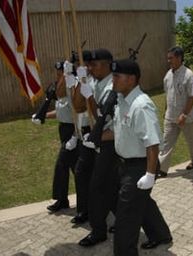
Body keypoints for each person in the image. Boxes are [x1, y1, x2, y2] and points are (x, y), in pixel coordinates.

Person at [111, 59, 172, 256]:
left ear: (131, 79)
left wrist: (150, 174)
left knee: (125, 219)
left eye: (116, 76)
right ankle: (161, 234)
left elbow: (152, 143)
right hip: (125, 164)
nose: (113, 80)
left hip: (140, 167)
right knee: (143, 204)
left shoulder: (141, 105)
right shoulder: (122, 100)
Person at [76, 49, 120, 246]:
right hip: (98, 138)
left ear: (108, 64)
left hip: (111, 141)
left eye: (95, 64)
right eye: (90, 65)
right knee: (111, 187)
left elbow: (107, 118)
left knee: (97, 187)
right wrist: (81, 85)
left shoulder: (115, 84)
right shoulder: (96, 81)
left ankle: (98, 231)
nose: (91, 68)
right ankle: (126, 219)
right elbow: (89, 111)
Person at [32, 62, 78, 212]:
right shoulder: (61, 93)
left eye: (61, 75)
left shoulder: (73, 92)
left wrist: (75, 135)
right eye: (57, 74)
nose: (58, 78)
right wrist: (42, 115)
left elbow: (79, 115)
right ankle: (66, 200)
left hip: (74, 131)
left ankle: (67, 199)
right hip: (64, 130)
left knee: (62, 165)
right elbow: (60, 113)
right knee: (74, 168)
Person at [157, 46, 193, 177]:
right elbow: (168, 95)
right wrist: (166, 110)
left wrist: (184, 114)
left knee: (191, 141)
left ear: (179, 58)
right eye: (168, 58)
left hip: (186, 117)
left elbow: (192, 96)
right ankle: (162, 169)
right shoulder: (168, 75)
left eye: (171, 58)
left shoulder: (189, 75)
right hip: (171, 116)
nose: (168, 60)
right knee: (166, 142)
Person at [63, 51, 94, 224]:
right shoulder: (75, 81)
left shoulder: (92, 82)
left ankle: (94, 210)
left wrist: (82, 83)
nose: (77, 67)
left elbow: (81, 105)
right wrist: (66, 75)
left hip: (94, 132)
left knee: (94, 176)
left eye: (79, 64)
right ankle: (84, 210)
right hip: (81, 133)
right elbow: (72, 104)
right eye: (75, 65)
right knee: (82, 173)